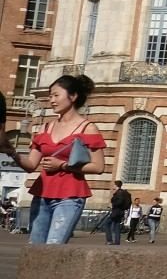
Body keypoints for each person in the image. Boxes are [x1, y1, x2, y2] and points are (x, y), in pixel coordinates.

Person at [1, 74, 107, 245]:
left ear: (73, 97)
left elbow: (98, 166)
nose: (51, 100)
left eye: (56, 95)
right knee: (35, 246)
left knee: (54, 247)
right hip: (42, 194)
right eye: (50, 96)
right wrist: (11, 151)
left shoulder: (88, 128)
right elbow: (30, 165)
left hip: (70, 197)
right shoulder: (46, 127)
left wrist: (63, 165)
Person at [106, 179, 132, 246]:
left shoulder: (119, 193)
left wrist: (113, 205)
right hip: (121, 212)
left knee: (107, 224)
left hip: (116, 211)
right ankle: (117, 241)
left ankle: (109, 240)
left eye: (114, 185)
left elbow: (120, 202)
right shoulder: (123, 192)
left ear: (116, 185)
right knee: (117, 225)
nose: (113, 186)